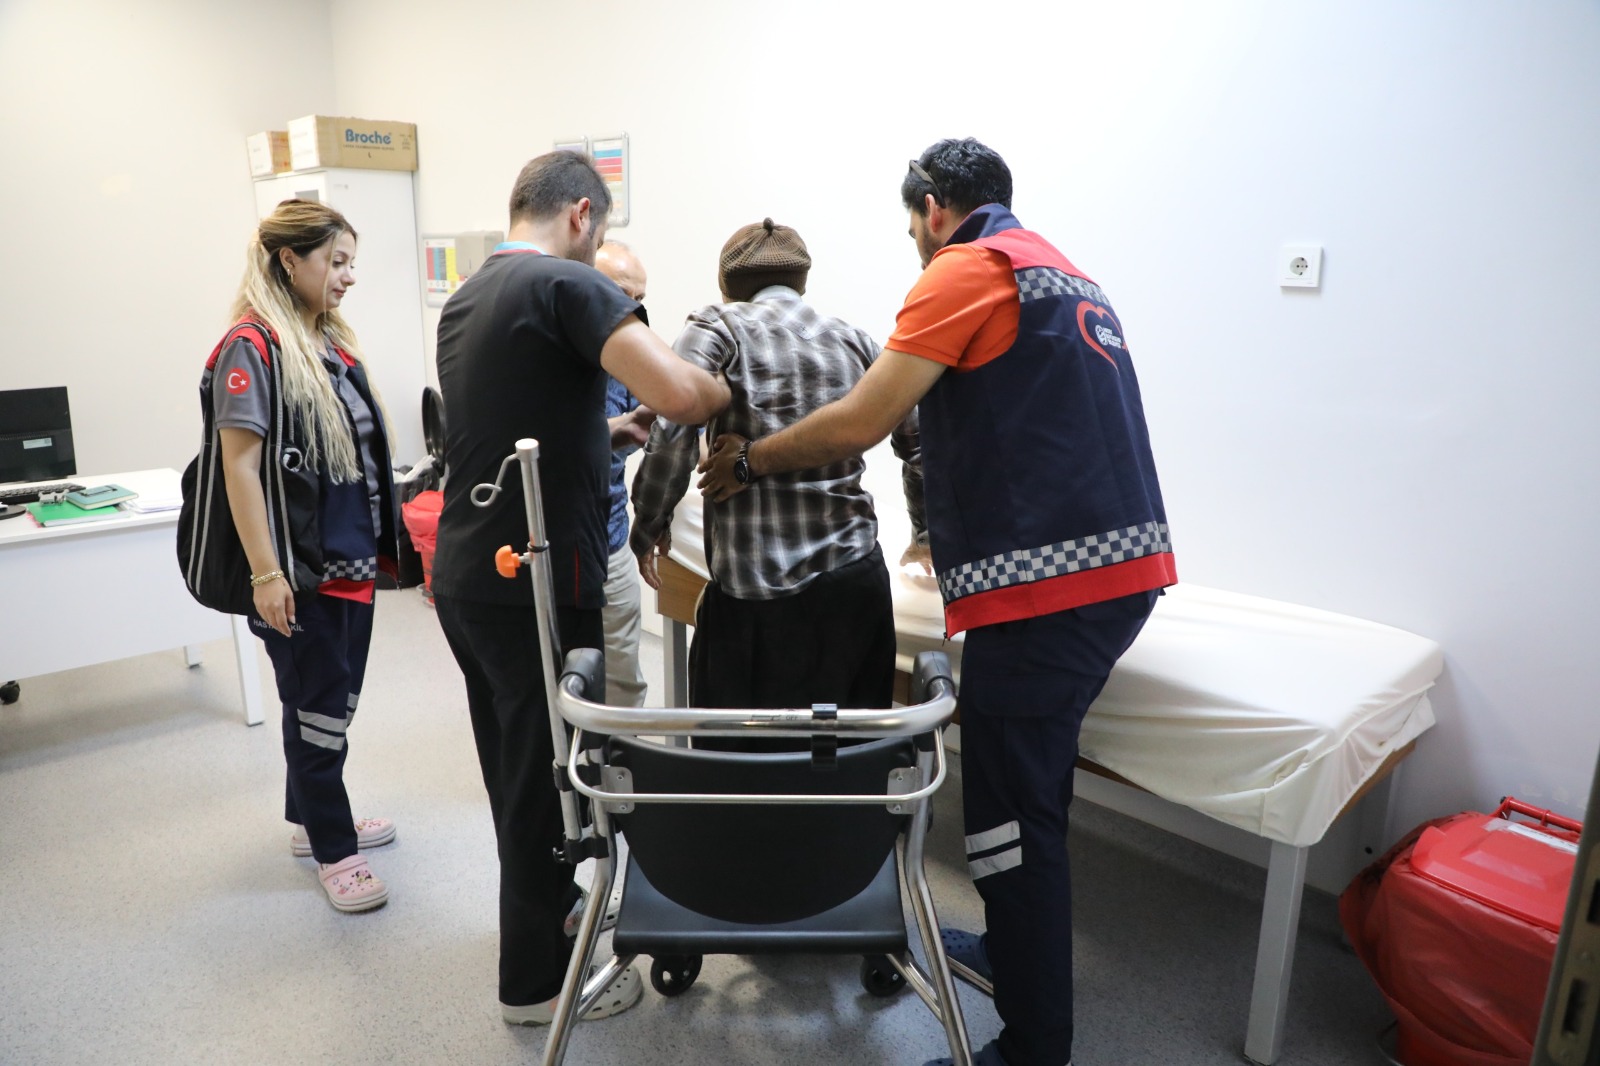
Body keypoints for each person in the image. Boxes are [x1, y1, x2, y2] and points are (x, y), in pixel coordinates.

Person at [698, 140, 1176, 1066]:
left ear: (931, 208)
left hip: (1044, 596)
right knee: (1034, 788)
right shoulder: (1062, 272)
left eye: (911, 224)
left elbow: (867, 420)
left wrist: (749, 459)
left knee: (1008, 814)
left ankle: (1032, 1046)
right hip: (1123, 573)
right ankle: (1008, 949)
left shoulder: (963, 269)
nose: (915, 241)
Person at [430, 151, 730, 1027]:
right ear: (580, 215)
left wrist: (608, 434)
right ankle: (534, 986)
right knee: (544, 782)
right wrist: (727, 378)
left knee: (515, 766)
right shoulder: (570, 283)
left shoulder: (469, 295)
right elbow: (683, 392)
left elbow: (519, 421)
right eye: (599, 234)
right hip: (530, 581)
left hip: (468, 574)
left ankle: (551, 924)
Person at [630, 218, 924, 739]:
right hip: (857, 584)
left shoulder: (718, 326)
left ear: (727, 285)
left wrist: (650, 522)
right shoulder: (856, 340)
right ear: (801, 282)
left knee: (748, 769)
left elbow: (673, 423)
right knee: (851, 755)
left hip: (758, 601)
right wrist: (923, 531)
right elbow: (919, 444)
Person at [191, 199, 400, 914]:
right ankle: (335, 850)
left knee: (327, 704)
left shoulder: (325, 341)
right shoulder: (252, 347)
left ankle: (312, 820)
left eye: (351, 263)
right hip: (303, 572)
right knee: (316, 710)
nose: (348, 277)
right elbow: (239, 468)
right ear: (290, 260)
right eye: (336, 262)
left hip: (350, 564)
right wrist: (267, 574)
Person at [593, 241, 654, 708]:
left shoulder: (634, 355)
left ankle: (621, 752)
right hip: (544, 547)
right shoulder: (548, 353)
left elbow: (675, 434)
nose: (628, 307)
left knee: (623, 683)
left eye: (638, 298)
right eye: (619, 293)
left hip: (610, 541)